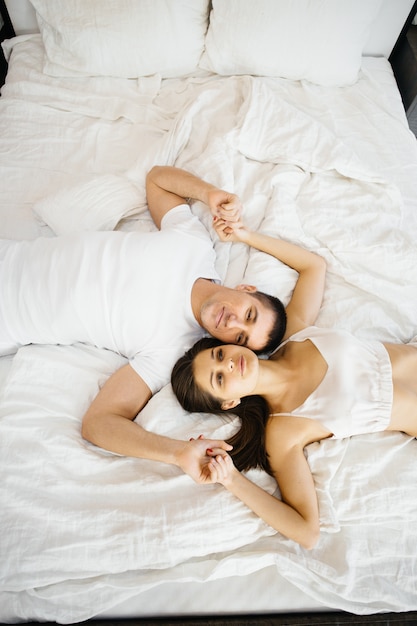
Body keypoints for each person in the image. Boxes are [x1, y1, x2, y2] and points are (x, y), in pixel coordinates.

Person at [0, 165, 289, 482]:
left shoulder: (171, 352)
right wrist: (210, 194)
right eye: (249, 314)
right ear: (246, 289)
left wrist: (178, 453)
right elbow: (158, 180)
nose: (234, 323)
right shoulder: (194, 243)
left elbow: (98, 423)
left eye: (241, 338)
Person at [171, 216, 417, 548]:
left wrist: (245, 234)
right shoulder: (282, 432)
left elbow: (313, 266)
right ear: (229, 403)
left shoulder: (295, 335)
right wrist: (230, 480)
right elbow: (307, 532)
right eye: (219, 379)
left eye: (219, 356)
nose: (228, 364)